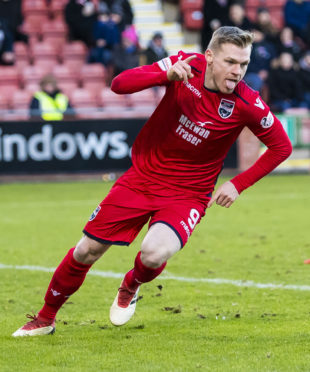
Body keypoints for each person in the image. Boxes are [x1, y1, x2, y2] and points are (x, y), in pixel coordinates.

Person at [13, 26, 292, 337]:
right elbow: (119, 84)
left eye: (244, 64)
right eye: (230, 62)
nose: (238, 71)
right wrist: (165, 76)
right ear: (210, 57)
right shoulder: (185, 64)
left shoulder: (247, 102)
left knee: (154, 253)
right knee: (87, 250)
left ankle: (131, 283)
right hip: (141, 179)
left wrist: (237, 184)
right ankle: (45, 318)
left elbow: (282, 146)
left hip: (189, 194)